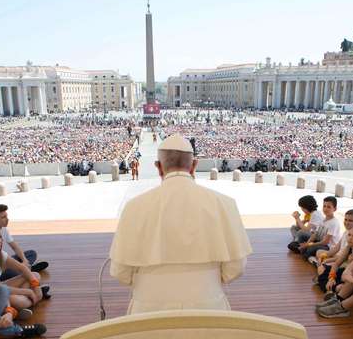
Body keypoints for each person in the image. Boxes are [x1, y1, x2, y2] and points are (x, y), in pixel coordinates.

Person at [108, 134, 252, 314]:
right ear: (194, 166)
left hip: (148, 310)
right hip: (208, 306)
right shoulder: (224, 203)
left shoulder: (134, 207)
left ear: (158, 167)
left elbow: (120, 271)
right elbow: (235, 268)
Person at [0, 203, 49, 280]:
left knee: (31, 253)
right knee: (12, 272)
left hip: (4, 261)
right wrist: (17, 265)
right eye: (3, 217)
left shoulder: (3, 229)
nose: (7, 219)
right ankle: (27, 270)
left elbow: (15, 247)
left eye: (6, 216)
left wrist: (24, 260)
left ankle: (25, 269)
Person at [315, 224, 353, 294]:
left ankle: (332, 289)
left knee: (339, 283)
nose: (350, 238)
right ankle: (332, 288)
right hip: (345, 273)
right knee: (325, 273)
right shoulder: (349, 247)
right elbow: (336, 264)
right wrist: (331, 278)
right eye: (349, 235)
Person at [300, 196, 341, 261]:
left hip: (328, 247)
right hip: (320, 242)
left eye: (329, 207)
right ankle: (309, 255)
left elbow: (325, 242)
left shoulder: (334, 223)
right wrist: (308, 243)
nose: (326, 209)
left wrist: (309, 245)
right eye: (324, 206)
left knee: (308, 250)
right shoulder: (323, 220)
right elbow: (315, 234)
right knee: (301, 245)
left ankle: (313, 258)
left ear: (335, 209)